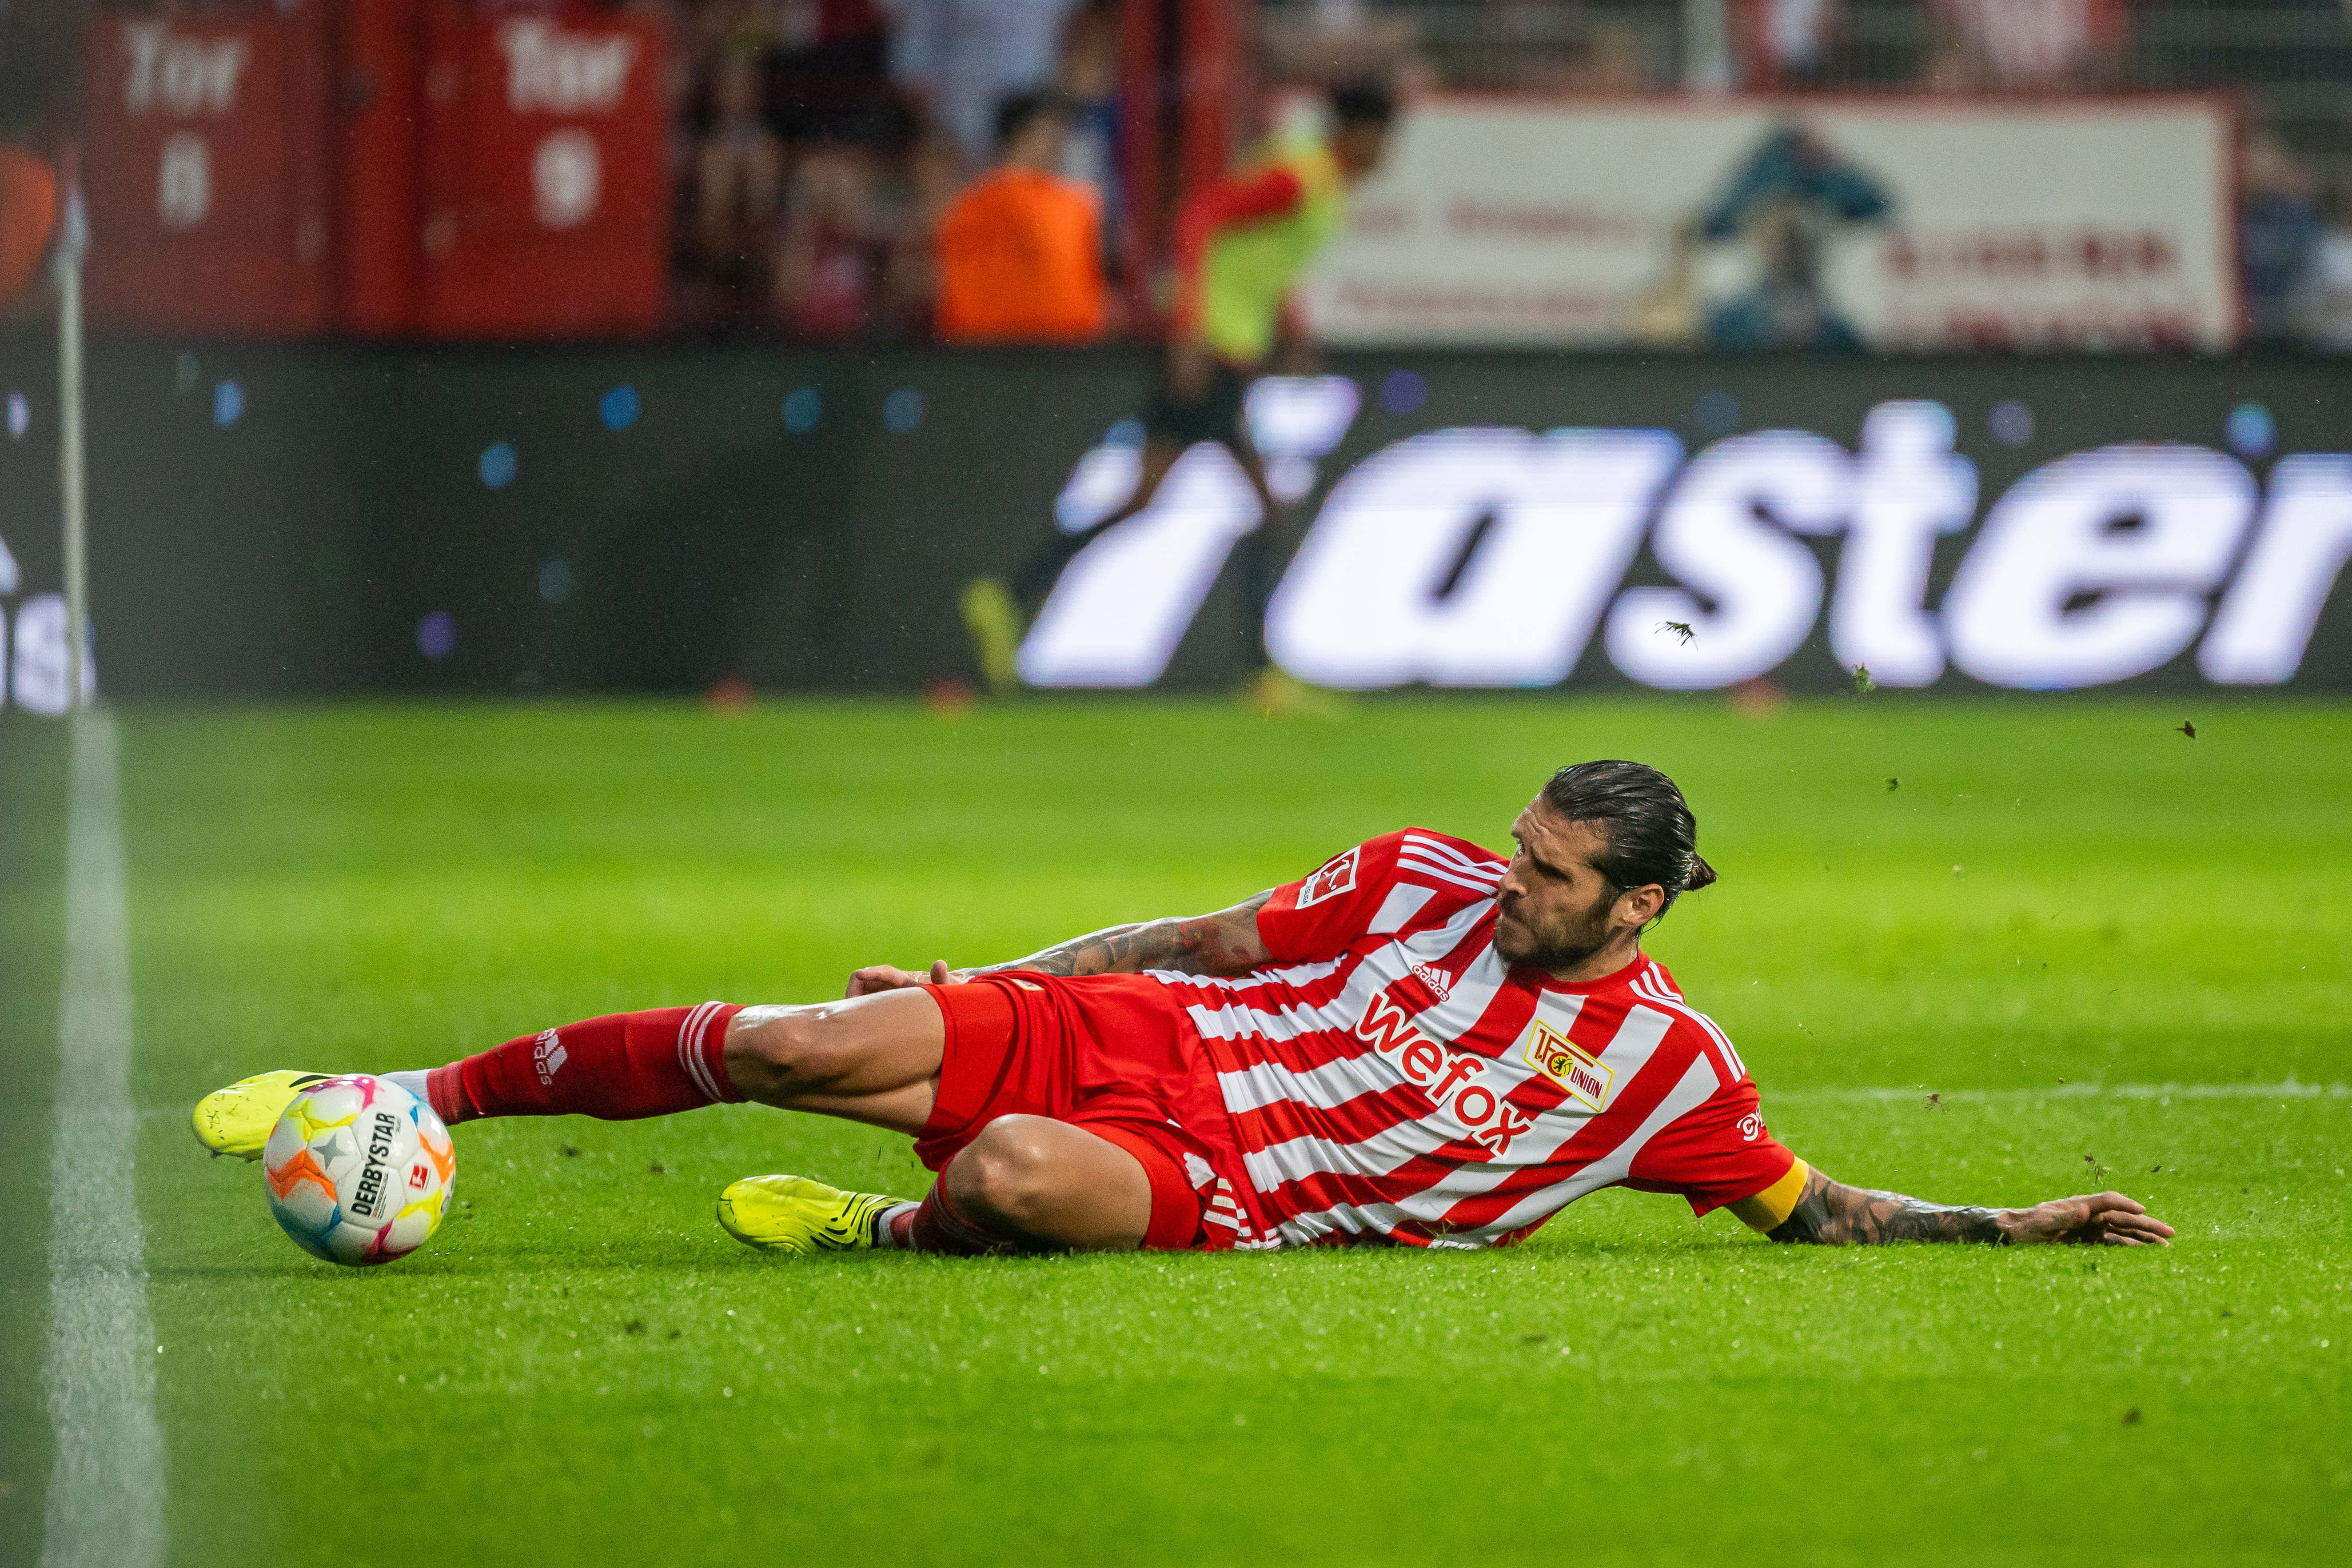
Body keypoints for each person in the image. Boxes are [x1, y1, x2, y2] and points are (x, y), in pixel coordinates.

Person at [191, 761, 2172, 1258]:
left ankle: (891, 1227)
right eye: (1513, 847)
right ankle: (407, 1088)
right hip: (1144, 1040)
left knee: (1024, 1186)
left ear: (1638, 904)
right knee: (792, 1043)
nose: (1507, 882)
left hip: (1226, 1182)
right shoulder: (1413, 875)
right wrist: (1002, 981)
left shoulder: (1671, 1075)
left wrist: (2012, 1220)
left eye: (1553, 878)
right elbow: (1213, 939)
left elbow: (1807, 1205)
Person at [958, 79, 1398, 699]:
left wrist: (1293, 329)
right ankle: (1261, 676)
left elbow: (1259, 261)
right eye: (1386, 141)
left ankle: (1009, 594)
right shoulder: (1301, 179)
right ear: (1361, 135)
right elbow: (1203, 217)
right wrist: (1188, 330)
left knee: (1154, 500)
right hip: (1208, 356)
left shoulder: (1315, 183)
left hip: (1223, 355)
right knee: (1262, 508)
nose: (1389, 156)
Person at [932, 92, 1107, 343]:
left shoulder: (1075, 204)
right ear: (1022, 135)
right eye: (1049, 133)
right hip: (989, 351)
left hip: (1067, 350)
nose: (1058, 143)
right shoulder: (972, 206)